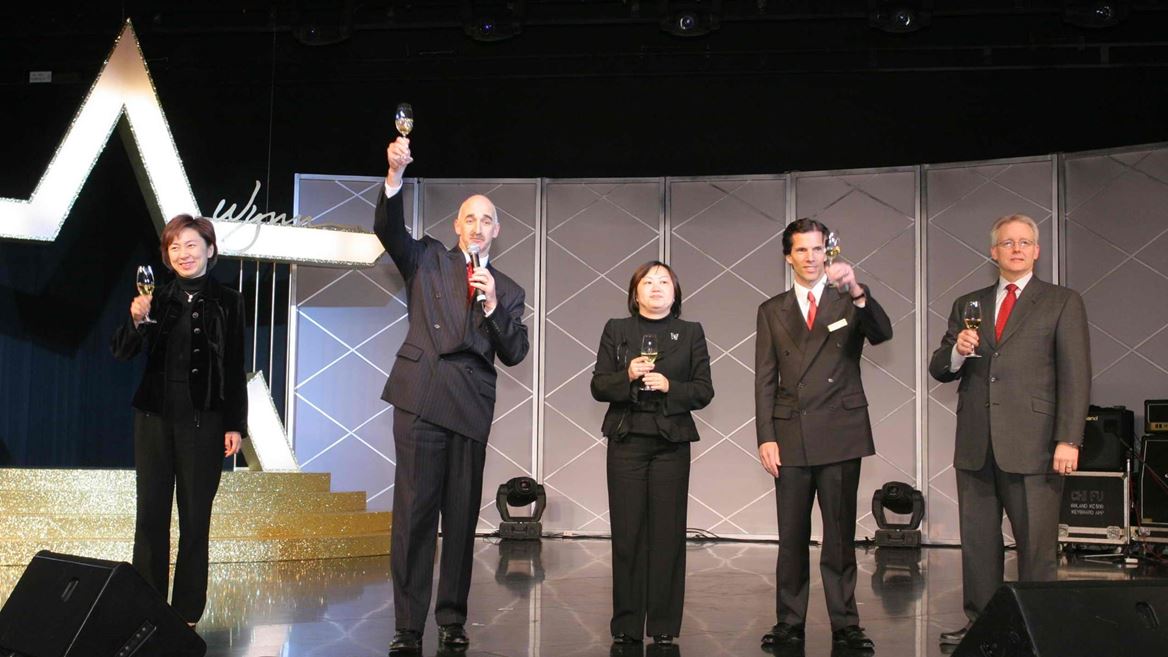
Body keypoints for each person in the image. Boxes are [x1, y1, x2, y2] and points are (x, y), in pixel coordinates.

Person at [374, 137, 530, 655]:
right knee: (414, 515)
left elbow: (515, 352)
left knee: (460, 518)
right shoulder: (426, 259)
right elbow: (389, 231)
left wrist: (492, 306)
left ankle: (452, 620)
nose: (478, 227)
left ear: (497, 231)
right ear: (456, 225)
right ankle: (407, 626)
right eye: (470, 219)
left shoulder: (507, 289)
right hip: (420, 398)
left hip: (469, 406)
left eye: (487, 220)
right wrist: (394, 177)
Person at [929, 214, 1090, 646]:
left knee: (1036, 547)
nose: (1016, 249)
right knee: (979, 545)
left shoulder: (1062, 301)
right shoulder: (969, 304)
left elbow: (1076, 376)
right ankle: (982, 626)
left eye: (1024, 242)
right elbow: (939, 368)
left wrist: (1068, 439)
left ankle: (1039, 628)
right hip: (976, 443)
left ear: (1036, 251)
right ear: (993, 252)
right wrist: (957, 352)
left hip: (1035, 445)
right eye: (1007, 242)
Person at [754, 218, 893, 652]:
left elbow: (883, 333)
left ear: (827, 253)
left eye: (817, 249)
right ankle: (789, 621)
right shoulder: (771, 310)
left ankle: (846, 623)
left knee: (839, 536)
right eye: (801, 250)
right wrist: (765, 436)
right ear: (788, 257)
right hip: (790, 432)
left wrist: (857, 289)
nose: (810, 258)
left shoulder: (848, 299)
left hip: (839, 430)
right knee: (791, 537)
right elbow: (764, 378)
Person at [110, 214, 246, 627]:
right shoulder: (155, 298)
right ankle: (146, 607)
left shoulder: (229, 301)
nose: (183, 254)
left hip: (205, 422)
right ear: (167, 256)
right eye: (174, 247)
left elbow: (235, 366)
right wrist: (136, 320)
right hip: (154, 418)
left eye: (191, 245)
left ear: (209, 249)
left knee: (195, 517)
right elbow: (121, 353)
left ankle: (186, 613)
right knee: (151, 514)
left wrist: (234, 424)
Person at [590, 261, 714, 649]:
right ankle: (626, 623)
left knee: (668, 535)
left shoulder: (691, 333)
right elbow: (598, 385)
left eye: (664, 282)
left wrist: (670, 386)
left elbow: (704, 390)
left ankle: (664, 624)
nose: (656, 287)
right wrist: (627, 376)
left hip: (670, 443)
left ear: (675, 294)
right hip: (627, 440)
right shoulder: (617, 329)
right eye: (648, 281)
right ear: (635, 292)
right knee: (627, 534)